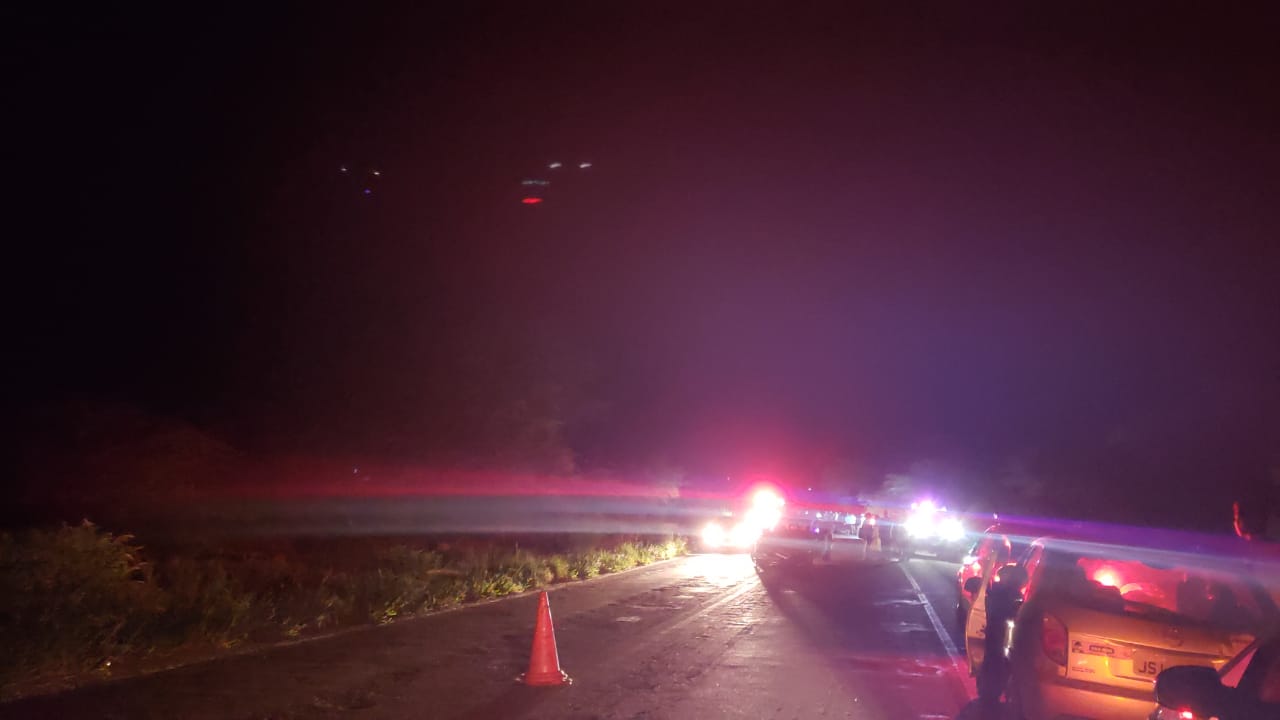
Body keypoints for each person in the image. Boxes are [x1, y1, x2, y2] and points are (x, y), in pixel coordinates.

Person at [977, 563, 1027, 707]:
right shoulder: (1010, 595)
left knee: (993, 662)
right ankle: (991, 693)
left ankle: (989, 693)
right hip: (1001, 635)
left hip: (997, 635)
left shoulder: (997, 592)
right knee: (998, 663)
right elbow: (1009, 614)